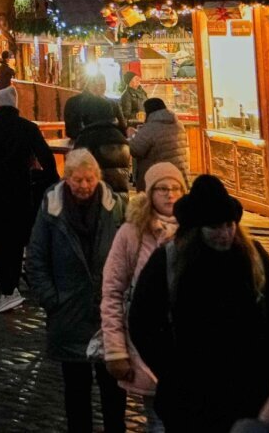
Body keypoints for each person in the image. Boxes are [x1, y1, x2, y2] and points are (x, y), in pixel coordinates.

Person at [129, 174, 269, 433]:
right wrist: (172, 372)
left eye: (229, 225)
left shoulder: (253, 256)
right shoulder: (169, 261)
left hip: (250, 395)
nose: (225, 234)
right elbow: (143, 321)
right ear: (197, 230)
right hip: (191, 400)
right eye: (215, 227)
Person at [27, 148, 128, 433]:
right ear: (67, 179)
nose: (84, 185)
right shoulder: (52, 208)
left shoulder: (114, 207)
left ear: (98, 177)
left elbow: (127, 254)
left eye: (89, 179)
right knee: (76, 391)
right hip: (68, 311)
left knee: (113, 390)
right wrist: (52, 300)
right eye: (77, 179)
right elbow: (36, 258)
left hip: (107, 312)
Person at [101, 163, 187, 432]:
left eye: (176, 188)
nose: (170, 194)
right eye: (162, 188)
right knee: (159, 421)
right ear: (149, 193)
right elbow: (113, 291)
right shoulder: (132, 233)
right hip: (148, 345)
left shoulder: (193, 232)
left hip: (188, 348)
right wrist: (116, 349)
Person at [0, 86, 59, 309]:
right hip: (21, 192)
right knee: (17, 239)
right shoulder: (28, 128)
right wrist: (50, 181)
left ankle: (8, 288)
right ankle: (12, 286)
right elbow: (46, 157)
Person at [63, 71, 122, 142]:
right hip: (92, 143)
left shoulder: (112, 103)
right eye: (100, 85)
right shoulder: (75, 102)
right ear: (90, 85)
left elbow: (71, 131)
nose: (103, 88)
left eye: (103, 85)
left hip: (80, 142)